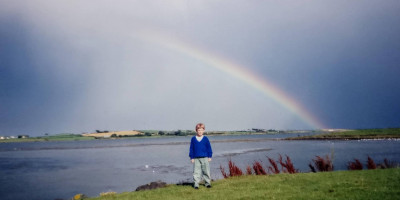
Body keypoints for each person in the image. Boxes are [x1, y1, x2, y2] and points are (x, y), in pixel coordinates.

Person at [189, 123, 213, 189]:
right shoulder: (193, 139)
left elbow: (209, 148)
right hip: (196, 158)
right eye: (199, 130)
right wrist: (192, 157)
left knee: (206, 171)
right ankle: (196, 184)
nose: (200, 131)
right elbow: (191, 148)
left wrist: (210, 156)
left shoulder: (205, 139)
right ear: (196, 130)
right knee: (196, 172)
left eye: (201, 130)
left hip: (205, 157)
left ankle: (207, 183)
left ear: (203, 130)